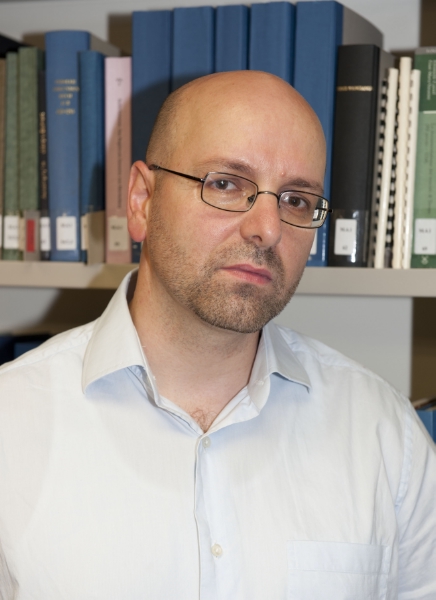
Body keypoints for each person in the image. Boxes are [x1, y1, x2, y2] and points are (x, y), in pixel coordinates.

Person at [0, 71, 435, 599]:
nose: (267, 228)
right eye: (226, 184)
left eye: (296, 200)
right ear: (141, 200)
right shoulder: (11, 423)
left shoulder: (385, 435)